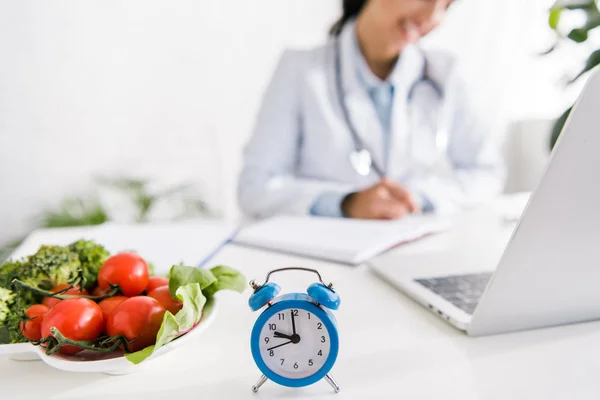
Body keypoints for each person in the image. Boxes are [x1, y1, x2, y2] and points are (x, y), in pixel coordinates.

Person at [238, 0, 505, 220]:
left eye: (446, 5)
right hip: (327, 257)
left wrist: (416, 197)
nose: (431, 16)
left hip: (412, 246)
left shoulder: (444, 75)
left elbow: (487, 174)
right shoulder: (300, 70)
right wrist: (346, 203)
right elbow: (255, 187)